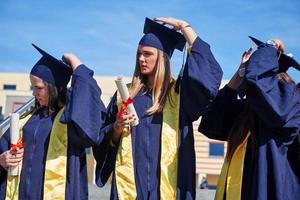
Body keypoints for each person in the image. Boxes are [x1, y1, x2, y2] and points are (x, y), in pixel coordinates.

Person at [93, 17, 223, 199]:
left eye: (147, 54)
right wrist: (116, 129)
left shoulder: (179, 94)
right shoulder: (124, 96)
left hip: (167, 188)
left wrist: (185, 28)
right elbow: (102, 142)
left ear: (162, 58)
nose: (141, 59)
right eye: (139, 53)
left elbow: (207, 75)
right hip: (131, 188)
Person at [199, 37, 300, 200]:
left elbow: (261, 84)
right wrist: (239, 74)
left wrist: (270, 46)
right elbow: (212, 123)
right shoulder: (246, 113)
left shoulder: (291, 107)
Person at [0, 44, 106, 200]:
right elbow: (3, 150)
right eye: (32, 87)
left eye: (39, 88)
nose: (34, 93)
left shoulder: (70, 119)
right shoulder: (26, 120)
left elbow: (87, 98)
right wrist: (3, 159)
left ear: (54, 88)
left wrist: (77, 65)